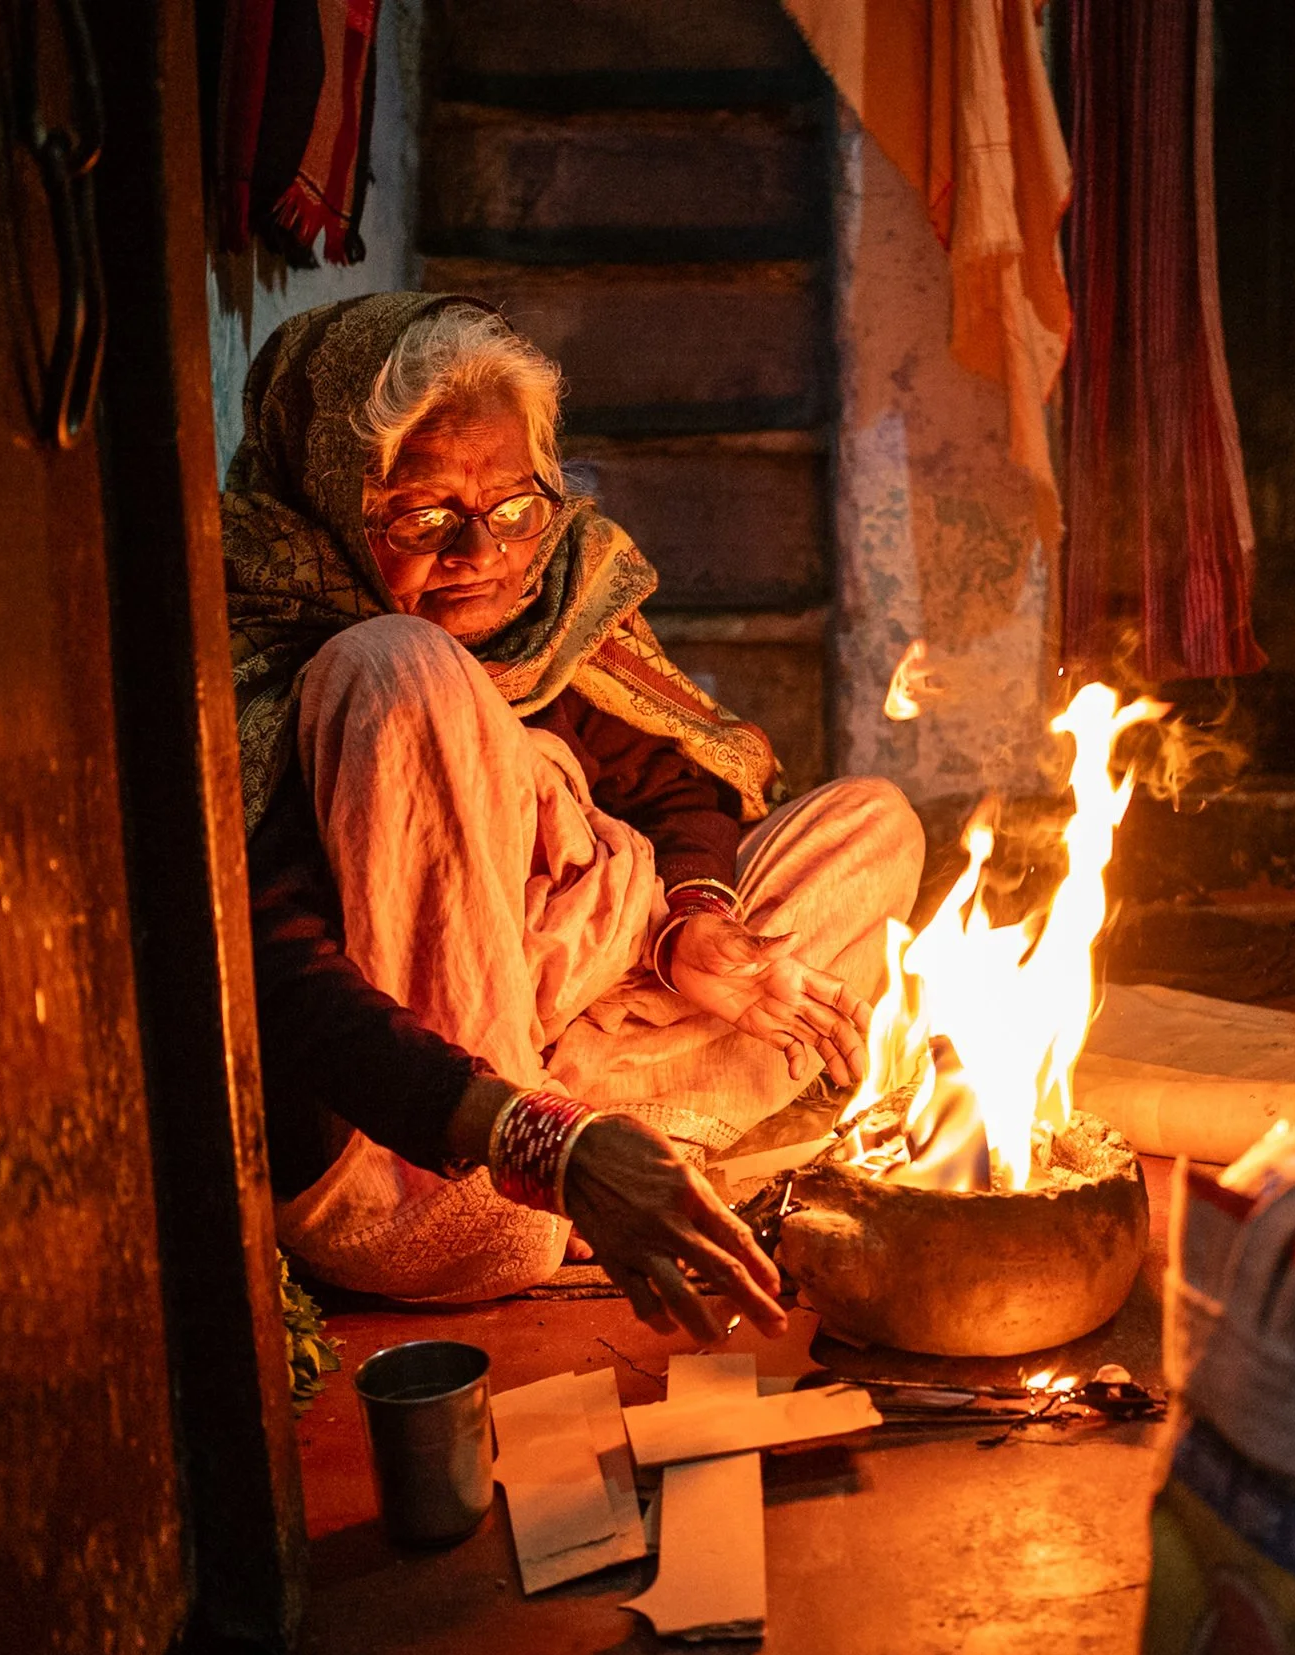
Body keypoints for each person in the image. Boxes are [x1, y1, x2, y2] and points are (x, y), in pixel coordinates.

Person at [225, 292, 921, 1338]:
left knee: (870, 827)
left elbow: (677, 780)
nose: (483, 551)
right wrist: (535, 1135)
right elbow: (281, 983)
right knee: (406, 664)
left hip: (573, 1019)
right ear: (328, 498)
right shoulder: (294, 650)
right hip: (429, 1151)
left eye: (514, 504)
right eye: (422, 517)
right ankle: (576, 1157)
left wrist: (691, 921)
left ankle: (624, 1143)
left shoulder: (554, 589)